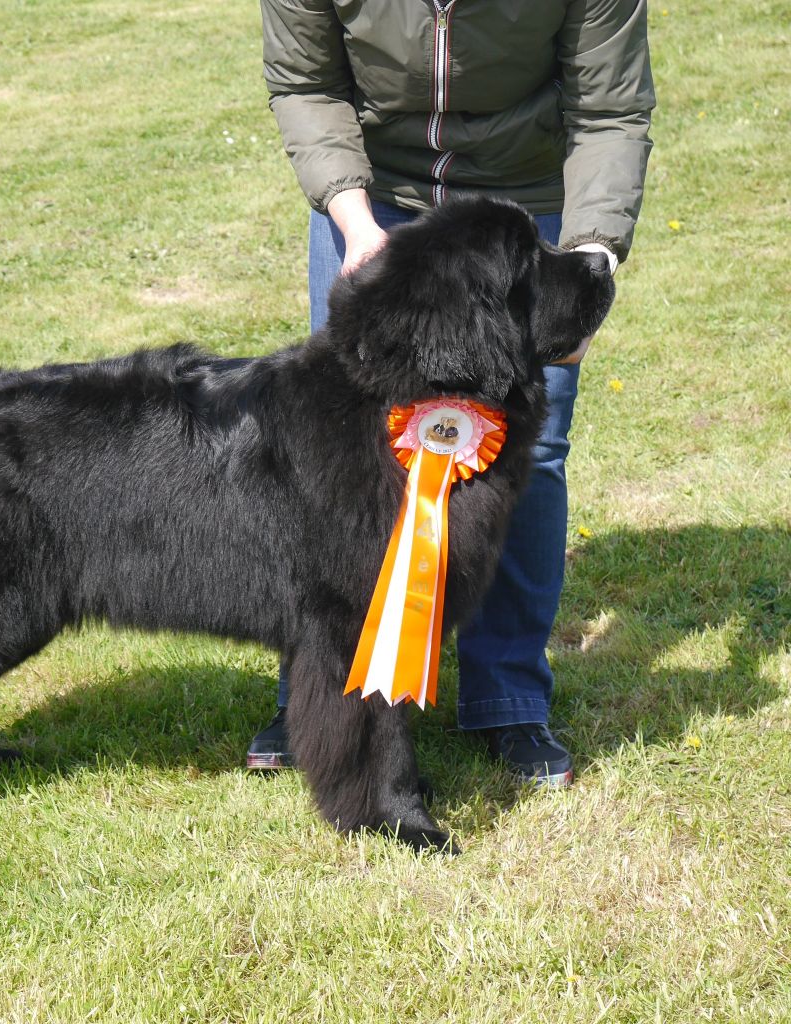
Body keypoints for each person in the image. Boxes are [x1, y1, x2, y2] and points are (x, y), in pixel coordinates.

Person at [245, 0, 654, 785]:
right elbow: (305, 82)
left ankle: (507, 695)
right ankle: (321, 692)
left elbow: (610, 109)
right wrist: (354, 221)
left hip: (522, 197)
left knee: (532, 449)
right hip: (375, 191)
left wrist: (588, 260)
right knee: (337, 447)